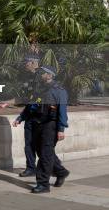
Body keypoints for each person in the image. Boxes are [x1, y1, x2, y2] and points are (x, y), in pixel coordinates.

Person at [27, 65, 70, 194]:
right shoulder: (41, 89)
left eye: (43, 73)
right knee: (43, 152)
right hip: (39, 124)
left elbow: (62, 111)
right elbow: (35, 105)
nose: (40, 74)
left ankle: (43, 184)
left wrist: (61, 129)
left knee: (45, 155)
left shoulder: (59, 91)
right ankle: (61, 172)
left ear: (50, 75)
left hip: (51, 126)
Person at [11, 54, 41, 177]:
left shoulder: (41, 79)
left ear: (34, 63)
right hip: (29, 117)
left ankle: (56, 169)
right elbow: (27, 100)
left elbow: (38, 100)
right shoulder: (29, 78)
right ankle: (31, 168)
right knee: (28, 145)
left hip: (40, 119)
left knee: (42, 147)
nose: (25, 65)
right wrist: (21, 117)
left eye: (27, 62)